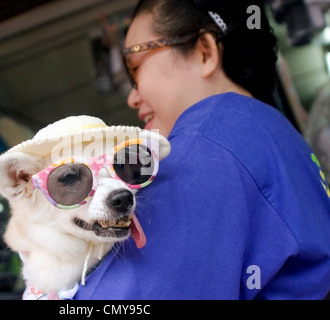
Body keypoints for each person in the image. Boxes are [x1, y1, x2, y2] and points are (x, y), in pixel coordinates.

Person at [74, 0, 330, 299]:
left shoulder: (208, 142)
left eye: (135, 67)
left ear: (205, 51)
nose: (132, 97)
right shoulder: (269, 129)